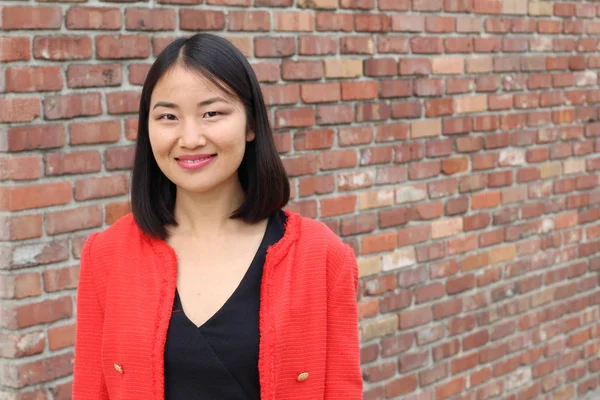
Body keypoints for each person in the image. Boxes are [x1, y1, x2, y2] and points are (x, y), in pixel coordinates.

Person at [72, 33, 362, 400]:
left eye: (212, 113)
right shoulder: (106, 254)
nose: (190, 138)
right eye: (168, 116)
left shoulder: (322, 257)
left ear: (251, 124)